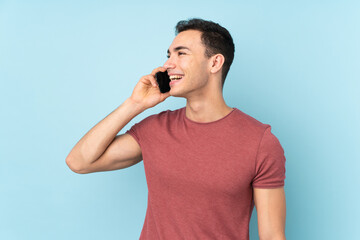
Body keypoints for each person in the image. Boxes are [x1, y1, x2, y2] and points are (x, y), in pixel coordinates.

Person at [66, 18, 286, 240]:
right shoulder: (154, 130)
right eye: (168, 55)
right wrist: (135, 104)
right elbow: (79, 162)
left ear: (215, 63)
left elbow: (272, 235)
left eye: (181, 54)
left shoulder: (260, 142)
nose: (168, 64)